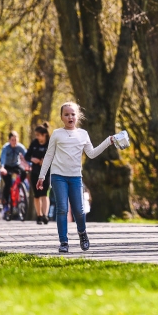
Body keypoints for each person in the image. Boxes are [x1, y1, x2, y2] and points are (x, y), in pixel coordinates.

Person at [36, 102, 115, 253]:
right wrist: (42, 176)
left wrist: (108, 142)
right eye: (66, 114)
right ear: (61, 117)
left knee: (79, 210)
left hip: (75, 177)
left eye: (73, 114)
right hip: (58, 176)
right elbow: (49, 155)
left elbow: (91, 154)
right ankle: (63, 242)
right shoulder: (57, 134)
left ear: (77, 116)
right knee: (62, 209)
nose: (70, 117)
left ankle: (82, 233)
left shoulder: (83, 134)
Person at [0, 131, 28, 220]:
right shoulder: (5, 148)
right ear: (9, 140)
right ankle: (5, 203)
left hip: (15, 165)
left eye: (16, 140)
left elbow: (27, 156)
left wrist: (29, 165)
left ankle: (19, 188)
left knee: (24, 172)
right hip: (6, 166)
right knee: (8, 184)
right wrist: (2, 168)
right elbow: (3, 159)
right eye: (12, 140)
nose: (14, 142)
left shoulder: (20, 147)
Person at [27, 124, 52, 225]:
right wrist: (33, 159)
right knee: (36, 195)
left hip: (46, 172)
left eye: (38, 135)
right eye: (36, 135)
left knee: (44, 194)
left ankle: (45, 215)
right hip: (35, 171)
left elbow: (55, 155)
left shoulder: (50, 143)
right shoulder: (34, 143)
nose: (37, 137)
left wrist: (45, 161)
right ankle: (39, 215)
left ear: (44, 134)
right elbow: (27, 155)